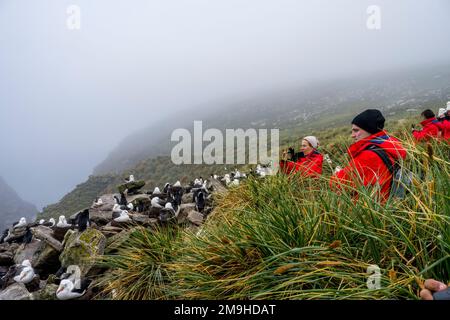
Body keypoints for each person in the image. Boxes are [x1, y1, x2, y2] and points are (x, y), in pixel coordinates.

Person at [330, 109, 407, 201]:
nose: (352, 135)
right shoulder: (390, 144)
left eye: (356, 130)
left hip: (371, 209)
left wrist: (336, 173)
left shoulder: (368, 156)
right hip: (389, 201)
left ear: (369, 129)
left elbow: (338, 184)